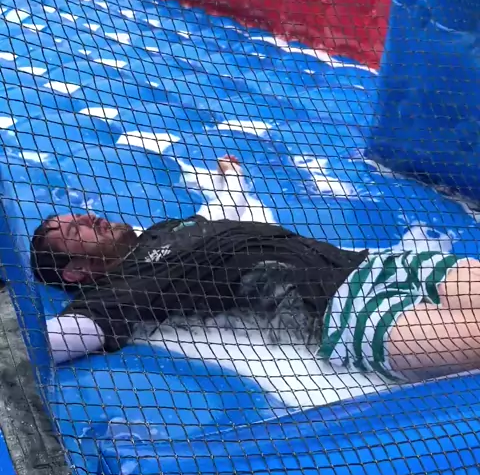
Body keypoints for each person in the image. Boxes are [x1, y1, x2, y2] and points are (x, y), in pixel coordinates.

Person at [31, 156, 480, 384]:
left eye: (77, 216)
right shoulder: (119, 290)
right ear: (75, 273)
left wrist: (231, 180)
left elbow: (225, 219)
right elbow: (46, 341)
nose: (86, 218)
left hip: (376, 263)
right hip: (344, 311)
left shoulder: (163, 231)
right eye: (73, 232)